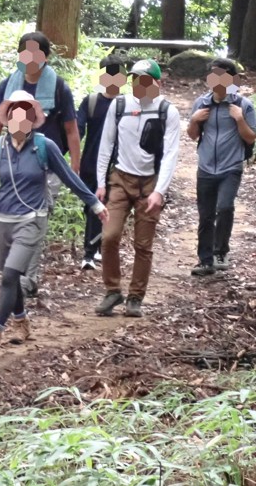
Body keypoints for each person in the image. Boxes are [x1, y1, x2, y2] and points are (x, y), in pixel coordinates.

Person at [0, 91, 108, 353]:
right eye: (15, 114)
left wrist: (94, 203)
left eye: (26, 114)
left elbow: (69, 176)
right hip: (3, 219)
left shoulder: (45, 146)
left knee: (11, 275)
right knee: (9, 277)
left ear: (33, 119)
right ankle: (22, 321)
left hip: (32, 219)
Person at [0, 31, 79, 298]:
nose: (30, 59)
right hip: (13, 162)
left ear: (46, 57)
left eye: (36, 53)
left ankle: (30, 278)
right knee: (13, 217)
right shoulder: (8, 85)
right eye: (25, 53)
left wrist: (74, 167)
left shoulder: (59, 87)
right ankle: (13, 274)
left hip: (47, 164)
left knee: (38, 217)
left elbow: (71, 131)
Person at [95, 59, 181, 318]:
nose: (139, 85)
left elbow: (170, 155)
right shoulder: (119, 106)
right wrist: (100, 183)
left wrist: (160, 191)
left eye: (145, 80)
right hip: (120, 178)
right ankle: (112, 290)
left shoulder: (167, 111)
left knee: (143, 244)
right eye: (135, 80)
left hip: (150, 182)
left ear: (157, 83)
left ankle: (135, 297)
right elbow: (106, 144)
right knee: (109, 236)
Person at [187, 58, 256, 276]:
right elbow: (193, 136)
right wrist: (194, 120)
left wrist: (239, 120)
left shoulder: (243, 106)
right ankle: (205, 260)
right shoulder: (201, 103)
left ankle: (220, 252)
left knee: (225, 207)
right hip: (206, 167)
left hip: (231, 167)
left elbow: (251, 137)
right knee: (205, 215)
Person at [76, 55, 128, 271]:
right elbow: (77, 131)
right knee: (92, 206)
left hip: (117, 166)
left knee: (105, 207)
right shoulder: (91, 102)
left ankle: (93, 251)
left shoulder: (127, 104)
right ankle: (92, 250)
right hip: (90, 164)